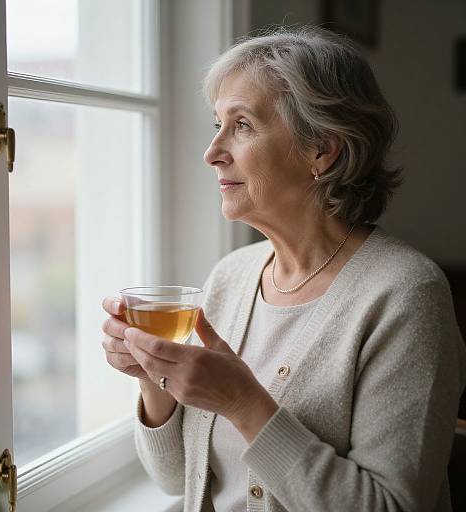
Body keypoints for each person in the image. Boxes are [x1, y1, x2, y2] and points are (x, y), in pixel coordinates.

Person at [101, 26, 466, 512]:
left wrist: (243, 403)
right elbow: (175, 479)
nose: (213, 153)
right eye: (217, 126)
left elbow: (390, 507)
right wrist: (152, 375)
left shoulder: (406, 295)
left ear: (323, 149)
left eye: (243, 125)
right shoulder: (230, 277)